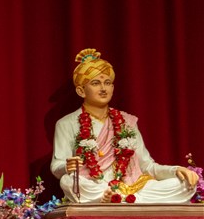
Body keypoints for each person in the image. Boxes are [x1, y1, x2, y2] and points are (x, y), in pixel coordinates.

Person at [51, 48, 197, 203]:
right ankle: (118, 198)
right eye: (96, 83)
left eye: (107, 83)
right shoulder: (66, 124)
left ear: (113, 88)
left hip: (133, 185)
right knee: (68, 181)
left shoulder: (126, 121)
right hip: (94, 185)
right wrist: (67, 166)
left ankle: (122, 198)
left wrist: (175, 170)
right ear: (81, 91)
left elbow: (147, 166)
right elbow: (56, 166)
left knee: (185, 185)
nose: (103, 89)